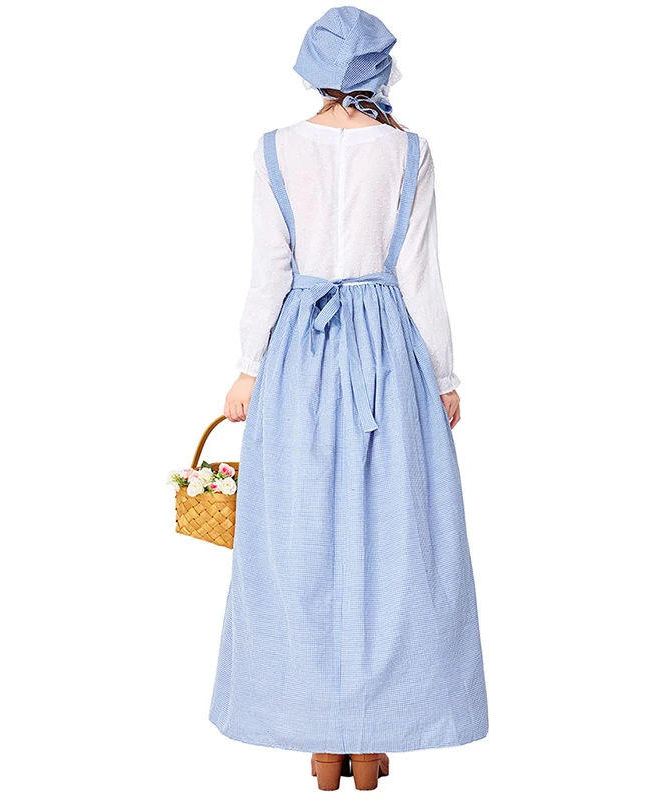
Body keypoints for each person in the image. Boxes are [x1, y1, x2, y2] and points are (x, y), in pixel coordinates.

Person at [209, 6, 489, 791]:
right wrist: (442, 377)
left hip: (299, 349)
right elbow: (420, 272)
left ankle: (322, 740)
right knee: (395, 540)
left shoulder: (274, 148)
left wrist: (249, 368)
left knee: (298, 544)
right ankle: (370, 740)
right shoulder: (409, 150)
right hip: (388, 350)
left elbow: (270, 268)